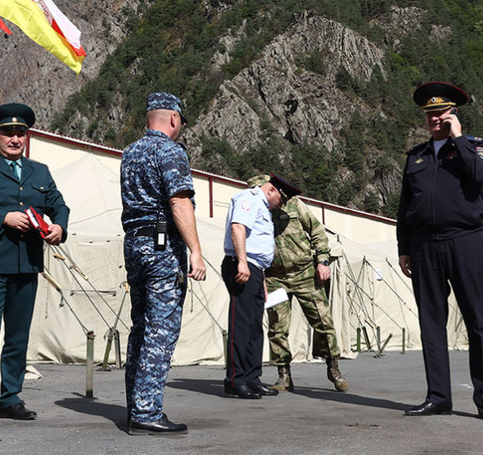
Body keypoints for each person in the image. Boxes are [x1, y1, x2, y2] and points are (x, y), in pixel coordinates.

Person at [0, 103, 68, 428]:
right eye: (8, 133)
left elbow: (58, 204)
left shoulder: (40, 172)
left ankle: (11, 398)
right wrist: (2, 217)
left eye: (20, 133)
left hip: (28, 264)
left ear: (26, 136)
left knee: (18, 335)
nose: (15, 138)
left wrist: (59, 226)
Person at [396, 82, 483, 422]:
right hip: (425, 247)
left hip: (466, 241)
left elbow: (480, 174)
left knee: (477, 323)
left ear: (454, 114)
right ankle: (438, 396)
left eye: (441, 113)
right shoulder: (417, 157)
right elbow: (405, 207)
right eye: (429, 114)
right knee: (431, 324)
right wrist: (405, 249)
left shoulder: (475, 147)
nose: (434, 119)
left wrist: (458, 138)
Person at [121, 92, 206, 435]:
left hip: (134, 242)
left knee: (140, 325)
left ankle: (136, 404)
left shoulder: (130, 152)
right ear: (174, 119)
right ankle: (146, 412)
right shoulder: (169, 151)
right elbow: (178, 200)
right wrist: (195, 251)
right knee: (161, 327)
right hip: (161, 244)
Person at [244, 175, 349, 393]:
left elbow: (317, 232)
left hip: (304, 273)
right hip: (275, 278)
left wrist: (322, 261)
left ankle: (333, 367)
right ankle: (284, 375)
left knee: (323, 321)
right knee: (277, 327)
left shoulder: (294, 204)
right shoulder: (253, 209)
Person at [222, 175, 292, 399]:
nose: (279, 205)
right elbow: (238, 228)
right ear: (271, 190)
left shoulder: (262, 206)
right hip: (242, 264)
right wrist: (242, 262)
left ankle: (252, 377)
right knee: (241, 325)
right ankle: (235, 380)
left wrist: (260, 278)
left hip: (254, 268)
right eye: (280, 200)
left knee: (254, 327)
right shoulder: (250, 198)